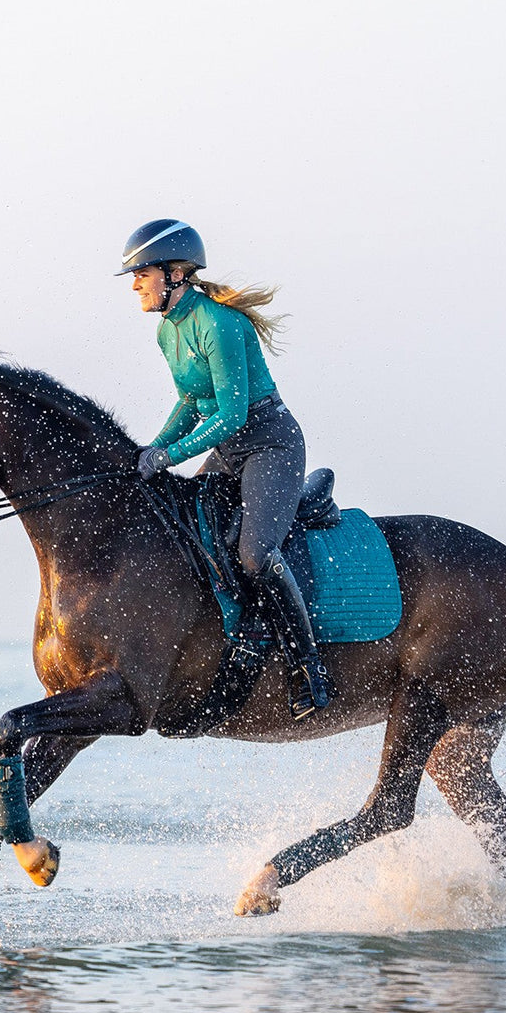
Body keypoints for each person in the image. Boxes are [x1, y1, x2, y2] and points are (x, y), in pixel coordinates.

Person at [117, 218, 331, 721]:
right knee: (191, 535)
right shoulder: (168, 331)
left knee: (254, 554)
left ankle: (309, 670)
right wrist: (153, 447)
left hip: (269, 444)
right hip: (229, 450)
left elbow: (232, 414)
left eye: (140, 274)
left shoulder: (219, 322)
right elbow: (192, 401)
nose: (134, 285)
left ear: (173, 273)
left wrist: (172, 456)